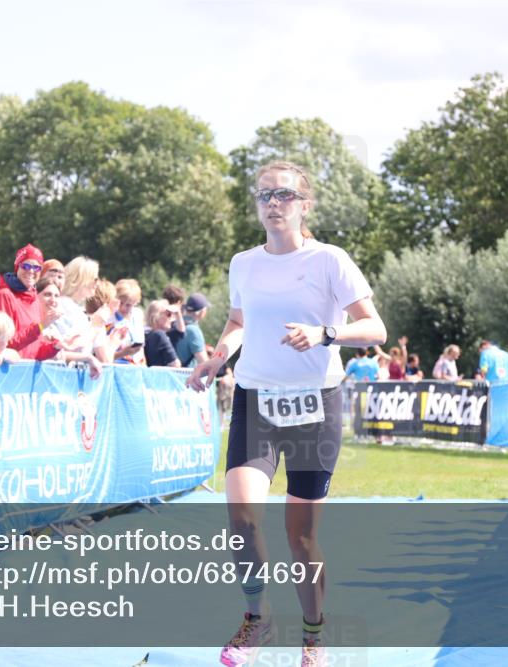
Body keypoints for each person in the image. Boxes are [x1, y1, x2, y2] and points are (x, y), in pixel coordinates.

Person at [184, 160, 386, 667]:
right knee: (242, 518)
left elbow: (375, 328)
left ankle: (314, 635)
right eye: (265, 195)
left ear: (305, 205)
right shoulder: (243, 263)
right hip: (257, 401)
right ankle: (259, 618)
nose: (273, 203)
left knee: (302, 537)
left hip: (315, 405)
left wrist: (324, 334)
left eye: (284, 195)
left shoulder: (330, 260)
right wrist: (217, 358)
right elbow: (237, 320)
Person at [0, 243, 44, 352]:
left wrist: (56, 346)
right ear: (17, 267)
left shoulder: (35, 299)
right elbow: (1, 344)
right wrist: (39, 327)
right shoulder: (5, 296)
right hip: (9, 363)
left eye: (36, 267)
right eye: (26, 266)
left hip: (27, 363)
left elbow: (34, 351)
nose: (31, 271)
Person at [113, 279, 146, 365]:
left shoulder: (138, 314)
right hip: (116, 366)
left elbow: (140, 347)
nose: (123, 308)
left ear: (136, 302)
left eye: (128, 305)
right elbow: (102, 357)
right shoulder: (109, 317)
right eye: (121, 303)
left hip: (137, 366)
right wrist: (122, 353)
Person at [144, 299, 182, 368]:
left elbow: (181, 333)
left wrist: (178, 313)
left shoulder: (143, 334)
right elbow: (175, 364)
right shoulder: (160, 335)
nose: (171, 318)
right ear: (157, 316)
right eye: (169, 314)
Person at [175, 292, 210, 368]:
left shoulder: (175, 323)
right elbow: (204, 363)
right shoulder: (193, 330)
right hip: (186, 374)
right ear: (202, 312)